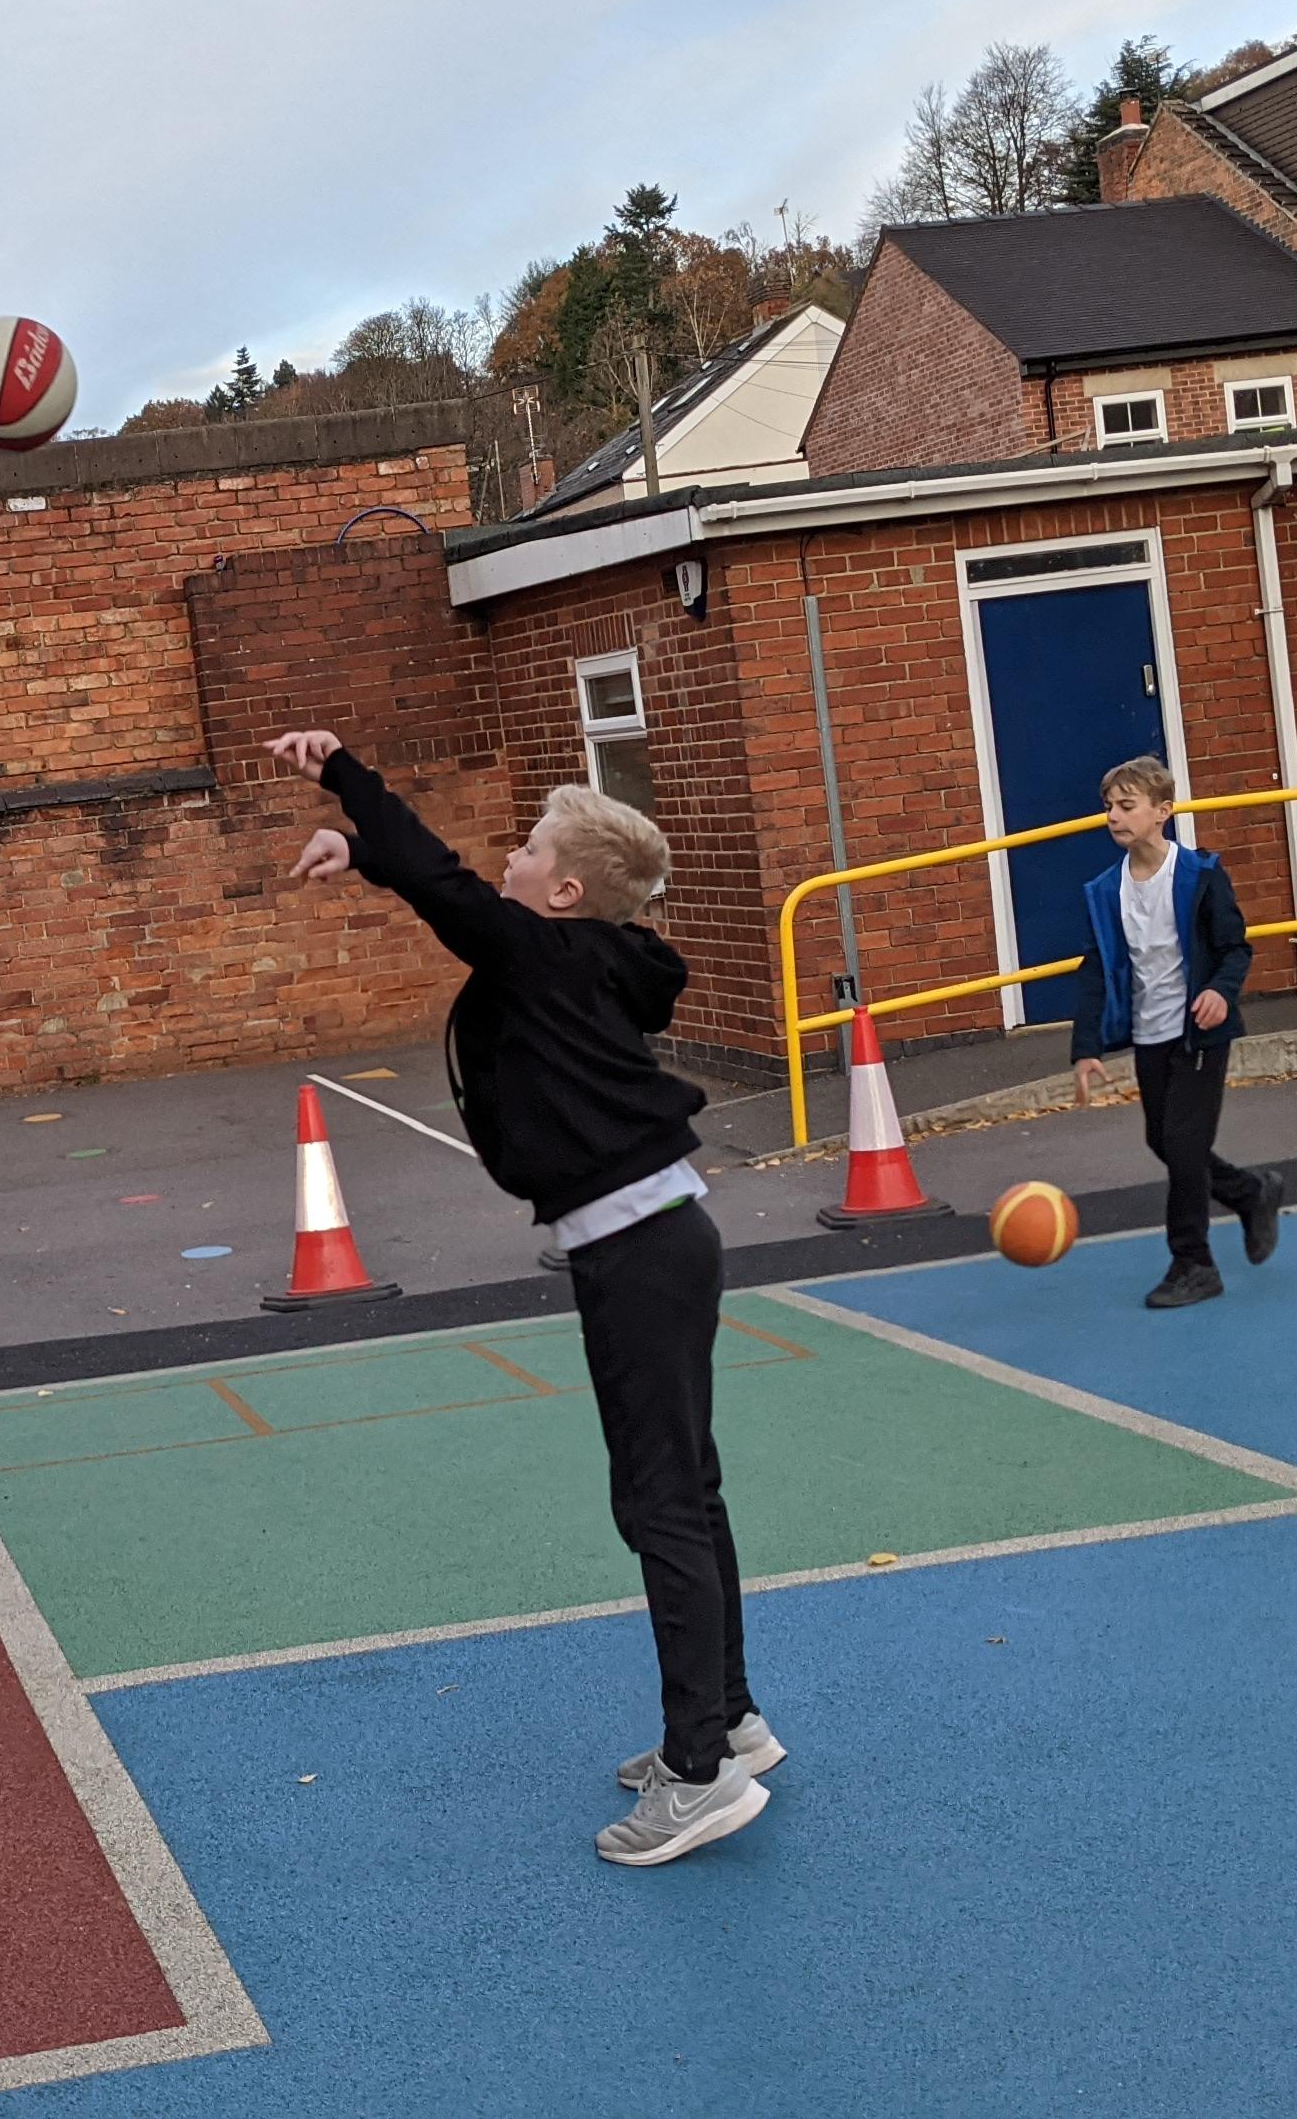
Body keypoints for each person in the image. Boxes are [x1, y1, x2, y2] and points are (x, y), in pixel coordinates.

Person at [268, 728, 773, 1868]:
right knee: (683, 1493)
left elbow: (447, 885)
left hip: (641, 1250)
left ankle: (701, 1772)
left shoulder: (548, 954)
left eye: (531, 848)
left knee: (662, 1505)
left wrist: (346, 773)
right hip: (652, 1239)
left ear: (567, 892)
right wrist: (366, 853)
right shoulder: (581, 959)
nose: (512, 857)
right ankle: (731, 1721)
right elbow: (445, 890)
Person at [1070, 757, 1283, 1308]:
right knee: (1161, 1140)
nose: (1113, 816)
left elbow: (1235, 949)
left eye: (1126, 806)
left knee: (1185, 1146)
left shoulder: (1198, 875)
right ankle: (1250, 1192)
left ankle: (1193, 1263)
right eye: (1109, 807)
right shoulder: (1107, 891)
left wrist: (1219, 992)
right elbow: (1095, 971)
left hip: (1198, 1032)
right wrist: (1086, 1048)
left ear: (1162, 811)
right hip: (1150, 1035)